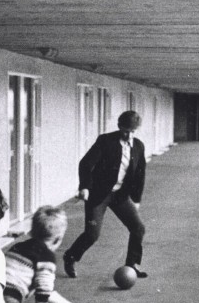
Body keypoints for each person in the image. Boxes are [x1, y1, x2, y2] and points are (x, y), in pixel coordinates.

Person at [62, 110, 148, 279]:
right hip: (99, 194)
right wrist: (84, 186)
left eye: (132, 131)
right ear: (119, 126)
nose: (128, 135)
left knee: (138, 228)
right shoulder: (105, 141)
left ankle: (132, 265)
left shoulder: (138, 146)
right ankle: (70, 256)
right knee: (92, 235)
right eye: (125, 130)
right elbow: (86, 164)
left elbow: (140, 173)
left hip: (120, 195)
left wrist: (136, 199)